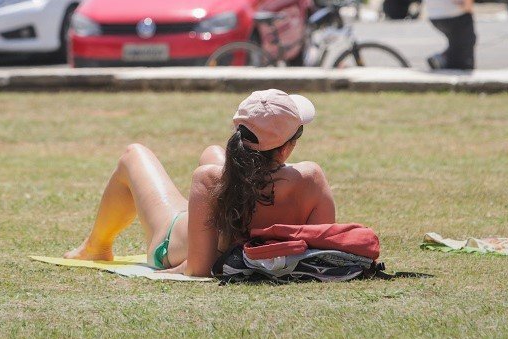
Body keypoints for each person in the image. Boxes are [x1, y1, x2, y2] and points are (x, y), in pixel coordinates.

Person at [64, 90, 335, 278]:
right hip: (234, 233)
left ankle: (96, 247)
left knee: (133, 155)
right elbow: (321, 250)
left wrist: (175, 270)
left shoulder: (208, 180)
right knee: (211, 152)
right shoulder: (312, 178)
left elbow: (198, 268)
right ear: (286, 149)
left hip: (174, 242)